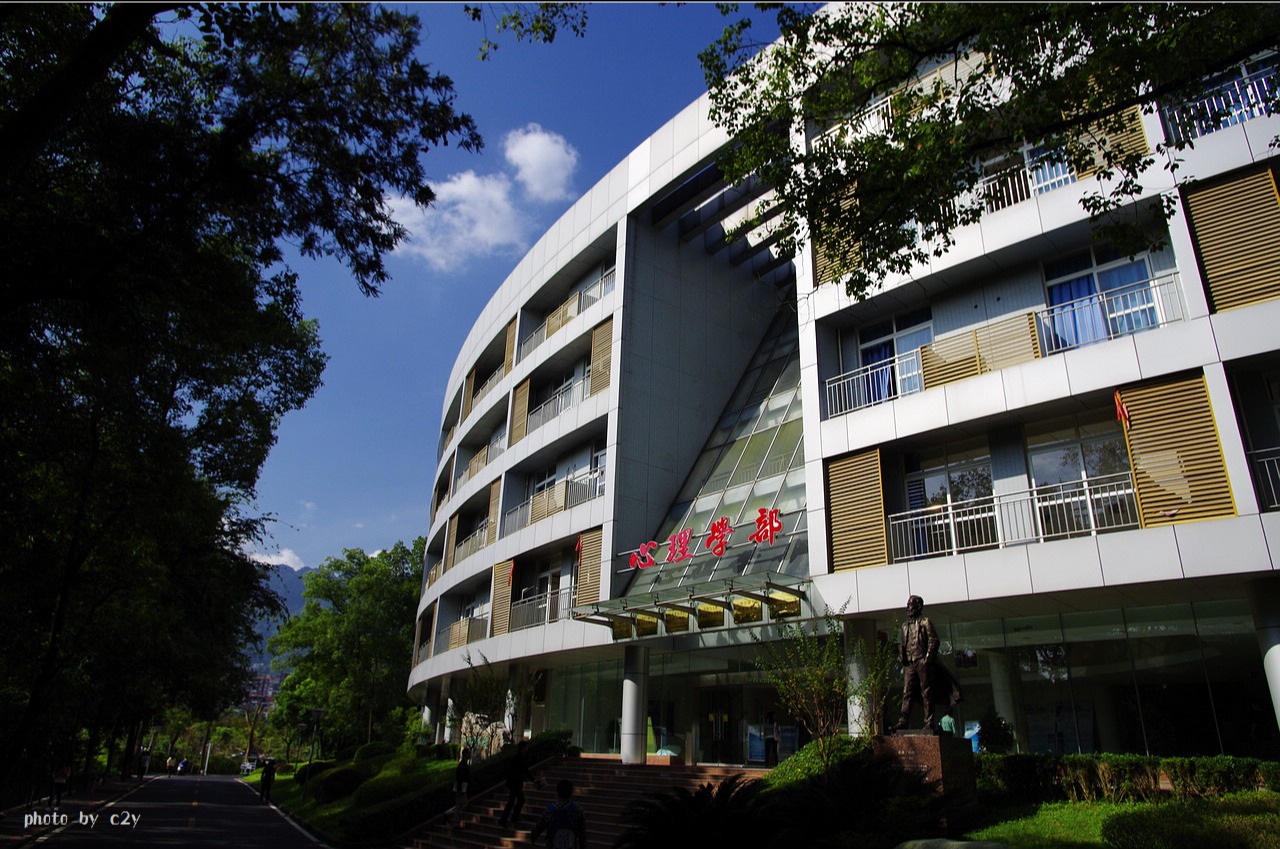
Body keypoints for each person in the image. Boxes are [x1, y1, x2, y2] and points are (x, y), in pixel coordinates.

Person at [896, 594, 940, 732]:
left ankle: (929, 722)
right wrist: (902, 657)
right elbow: (903, 643)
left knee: (926, 692)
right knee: (906, 692)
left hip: (922, 661)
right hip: (909, 663)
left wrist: (927, 659)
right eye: (907, 605)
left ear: (919, 606)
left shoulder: (926, 622)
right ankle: (903, 721)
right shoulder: (904, 626)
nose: (908, 608)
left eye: (911, 605)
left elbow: (934, 640)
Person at [531, 779, 586, 849]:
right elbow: (582, 835)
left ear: (557, 792)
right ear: (571, 792)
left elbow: (538, 828)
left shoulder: (550, 810)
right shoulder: (578, 810)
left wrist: (533, 837)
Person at [499, 740, 534, 828]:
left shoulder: (517, 757)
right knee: (515, 800)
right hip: (515, 782)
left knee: (516, 800)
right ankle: (506, 819)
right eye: (526, 747)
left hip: (514, 782)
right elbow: (525, 770)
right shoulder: (520, 757)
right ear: (523, 748)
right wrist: (533, 779)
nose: (527, 749)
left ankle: (510, 818)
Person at [447, 747, 471, 828]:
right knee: (462, 805)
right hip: (461, 788)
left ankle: (451, 816)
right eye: (468, 753)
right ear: (465, 754)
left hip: (461, 787)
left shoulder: (463, 764)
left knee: (461, 805)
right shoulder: (462, 765)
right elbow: (460, 777)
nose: (470, 754)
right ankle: (452, 816)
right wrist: (460, 788)